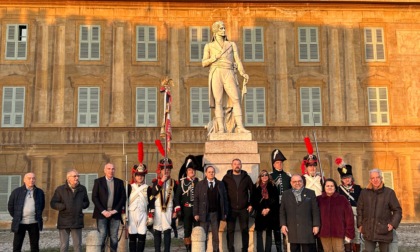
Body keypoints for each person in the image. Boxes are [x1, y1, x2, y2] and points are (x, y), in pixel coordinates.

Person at [202, 20, 250, 134]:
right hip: (216, 71)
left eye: (224, 28)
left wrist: (243, 73)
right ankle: (221, 129)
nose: (224, 30)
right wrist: (214, 57)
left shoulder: (231, 44)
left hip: (228, 71)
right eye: (221, 28)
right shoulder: (209, 46)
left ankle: (240, 127)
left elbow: (237, 60)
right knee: (218, 102)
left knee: (236, 99)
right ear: (215, 31)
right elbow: (204, 63)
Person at [357, 168, 402, 252]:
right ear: (370, 179)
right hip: (368, 230)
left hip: (384, 230)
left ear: (381, 178)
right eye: (373, 178)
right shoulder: (364, 193)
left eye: (377, 177)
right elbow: (360, 210)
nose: (375, 180)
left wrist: (392, 224)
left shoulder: (389, 193)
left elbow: (397, 210)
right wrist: (360, 225)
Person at [50, 169, 90, 252]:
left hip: (77, 220)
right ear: (68, 178)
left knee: (78, 245)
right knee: (64, 245)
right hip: (64, 220)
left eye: (78, 176)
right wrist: (63, 207)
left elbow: (86, 202)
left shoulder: (82, 189)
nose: (77, 178)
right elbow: (53, 203)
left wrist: (80, 206)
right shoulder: (60, 189)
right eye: (74, 176)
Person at [280, 174, 320, 252]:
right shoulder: (285, 194)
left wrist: (316, 225)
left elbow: (315, 210)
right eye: (294, 181)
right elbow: (282, 211)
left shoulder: (310, 193)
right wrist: (283, 224)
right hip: (292, 228)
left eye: (299, 181)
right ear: (291, 183)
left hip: (307, 229)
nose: (297, 183)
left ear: (303, 182)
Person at [92, 163, 126, 252]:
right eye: (109, 168)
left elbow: (123, 198)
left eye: (113, 169)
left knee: (114, 236)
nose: (111, 171)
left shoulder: (119, 182)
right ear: (105, 170)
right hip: (101, 214)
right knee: (102, 235)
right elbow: (94, 197)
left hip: (115, 214)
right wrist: (103, 211)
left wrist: (114, 211)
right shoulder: (98, 182)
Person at [194, 166, 229, 252]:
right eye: (209, 172)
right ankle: (203, 250)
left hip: (215, 214)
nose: (211, 173)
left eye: (212, 172)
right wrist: (196, 213)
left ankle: (216, 250)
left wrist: (225, 212)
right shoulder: (200, 184)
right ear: (206, 173)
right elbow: (196, 199)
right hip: (203, 213)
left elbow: (224, 199)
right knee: (203, 235)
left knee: (215, 236)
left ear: (214, 173)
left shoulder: (220, 184)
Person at [8, 172, 45, 252]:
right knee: (17, 246)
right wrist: (17, 216)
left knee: (35, 246)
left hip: (34, 222)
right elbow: (10, 206)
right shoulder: (16, 192)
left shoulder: (40, 192)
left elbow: (42, 206)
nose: (31, 180)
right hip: (20, 223)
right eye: (29, 178)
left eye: (33, 178)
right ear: (24, 180)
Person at [222, 158, 254, 252]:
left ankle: (245, 249)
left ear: (241, 165)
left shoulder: (246, 177)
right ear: (232, 166)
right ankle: (231, 249)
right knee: (230, 231)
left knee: (244, 230)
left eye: (238, 164)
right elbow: (222, 193)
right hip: (231, 209)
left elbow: (252, 191)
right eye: (235, 164)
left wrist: (251, 204)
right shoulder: (226, 178)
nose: (237, 165)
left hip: (243, 209)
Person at [317, 178, 354, 252]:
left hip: (339, 232)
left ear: (335, 187)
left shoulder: (342, 199)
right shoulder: (318, 199)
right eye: (327, 186)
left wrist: (349, 233)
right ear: (324, 187)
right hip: (324, 232)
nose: (330, 187)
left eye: (332, 186)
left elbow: (349, 217)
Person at [151, 158, 179, 252]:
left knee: (167, 232)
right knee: (157, 232)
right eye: (164, 169)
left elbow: (176, 198)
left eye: (168, 169)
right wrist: (161, 181)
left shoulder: (174, 182)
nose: (166, 170)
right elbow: (153, 193)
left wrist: (175, 211)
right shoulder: (156, 181)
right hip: (158, 209)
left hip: (168, 209)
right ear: (161, 170)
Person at [336, 158, 362, 252]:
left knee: (356, 238)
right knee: (346, 238)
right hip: (343, 217)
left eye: (348, 177)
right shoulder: (338, 190)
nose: (347, 180)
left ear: (352, 178)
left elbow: (361, 203)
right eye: (344, 178)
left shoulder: (358, 188)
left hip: (355, 215)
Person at [174, 155, 200, 252]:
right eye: (189, 170)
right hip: (187, 210)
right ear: (187, 172)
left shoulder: (199, 182)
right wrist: (178, 209)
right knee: (187, 230)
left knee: (197, 229)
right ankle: (188, 249)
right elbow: (177, 197)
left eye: (193, 170)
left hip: (196, 210)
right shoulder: (182, 182)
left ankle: (196, 248)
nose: (191, 171)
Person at [251, 170, 280, 252]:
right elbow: (254, 200)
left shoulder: (273, 185)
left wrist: (268, 209)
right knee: (259, 233)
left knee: (269, 233)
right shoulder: (256, 186)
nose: (264, 177)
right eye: (262, 175)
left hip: (270, 213)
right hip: (260, 213)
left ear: (268, 176)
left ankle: (268, 250)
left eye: (266, 175)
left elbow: (275, 199)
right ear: (260, 177)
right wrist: (262, 209)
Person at [127, 163, 153, 252]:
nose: (140, 177)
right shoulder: (129, 187)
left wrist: (150, 216)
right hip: (131, 215)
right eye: (138, 175)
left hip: (143, 214)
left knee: (142, 237)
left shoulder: (148, 188)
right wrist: (123, 214)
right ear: (135, 176)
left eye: (142, 175)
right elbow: (124, 202)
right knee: (132, 238)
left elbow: (151, 203)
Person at [270, 149, 291, 252]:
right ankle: (279, 250)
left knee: (286, 230)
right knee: (276, 230)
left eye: (281, 162)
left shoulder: (288, 176)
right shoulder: (270, 177)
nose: (279, 164)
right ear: (274, 165)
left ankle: (287, 248)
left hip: (286, 206)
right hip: (275, 207)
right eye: (277, 163)